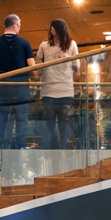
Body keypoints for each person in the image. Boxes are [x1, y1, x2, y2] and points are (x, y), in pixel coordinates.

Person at [0, 14, 35, 168]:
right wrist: (35, 77)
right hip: (20, 93)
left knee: (0, 126)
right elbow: (33, 68)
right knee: (21, 128)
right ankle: (19, 163)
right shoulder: (24, 43)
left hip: (0, 92)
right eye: (19, 25)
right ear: (15, 25)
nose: (20, 28)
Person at [35, 19, 80, 148]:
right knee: (56, 123)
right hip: (52, 90)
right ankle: (56, 147)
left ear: (59, 29)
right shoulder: (44, 45)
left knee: (56, 123)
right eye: (51, 28)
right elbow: (38, 65)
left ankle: (60, 148)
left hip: (61, 90)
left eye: (53, 28)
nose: (51, 30)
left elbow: (76, 66)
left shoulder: (71, 44)